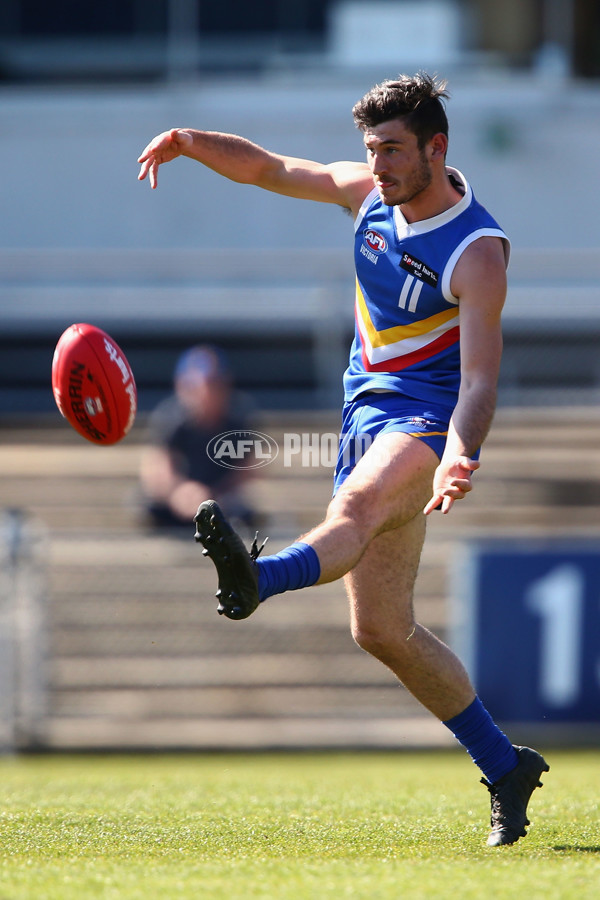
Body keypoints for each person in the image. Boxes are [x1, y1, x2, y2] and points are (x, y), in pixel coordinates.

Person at [138, 73, 549, 846]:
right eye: (372, 151)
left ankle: (258, 577)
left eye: (393, 151)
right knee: (382, 629)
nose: (379, 166)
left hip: (425, 424)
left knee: (351, 514)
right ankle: (506, 767)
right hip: (363, 416)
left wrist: (461, 452)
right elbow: (269, 168)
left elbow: (480, 382)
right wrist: (192, 142)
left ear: (438, 147)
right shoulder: (367, 195)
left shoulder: (477, 251)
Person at [139, 344, 256, 532]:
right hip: (179, 502)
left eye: (213, 385)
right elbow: (158, 464)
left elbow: (246, 469)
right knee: (149, 508)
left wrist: (214, 496)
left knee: (244, 514)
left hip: (220, 501)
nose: (206, 393)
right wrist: (179, 492)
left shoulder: (237, 420)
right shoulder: (171, 418)